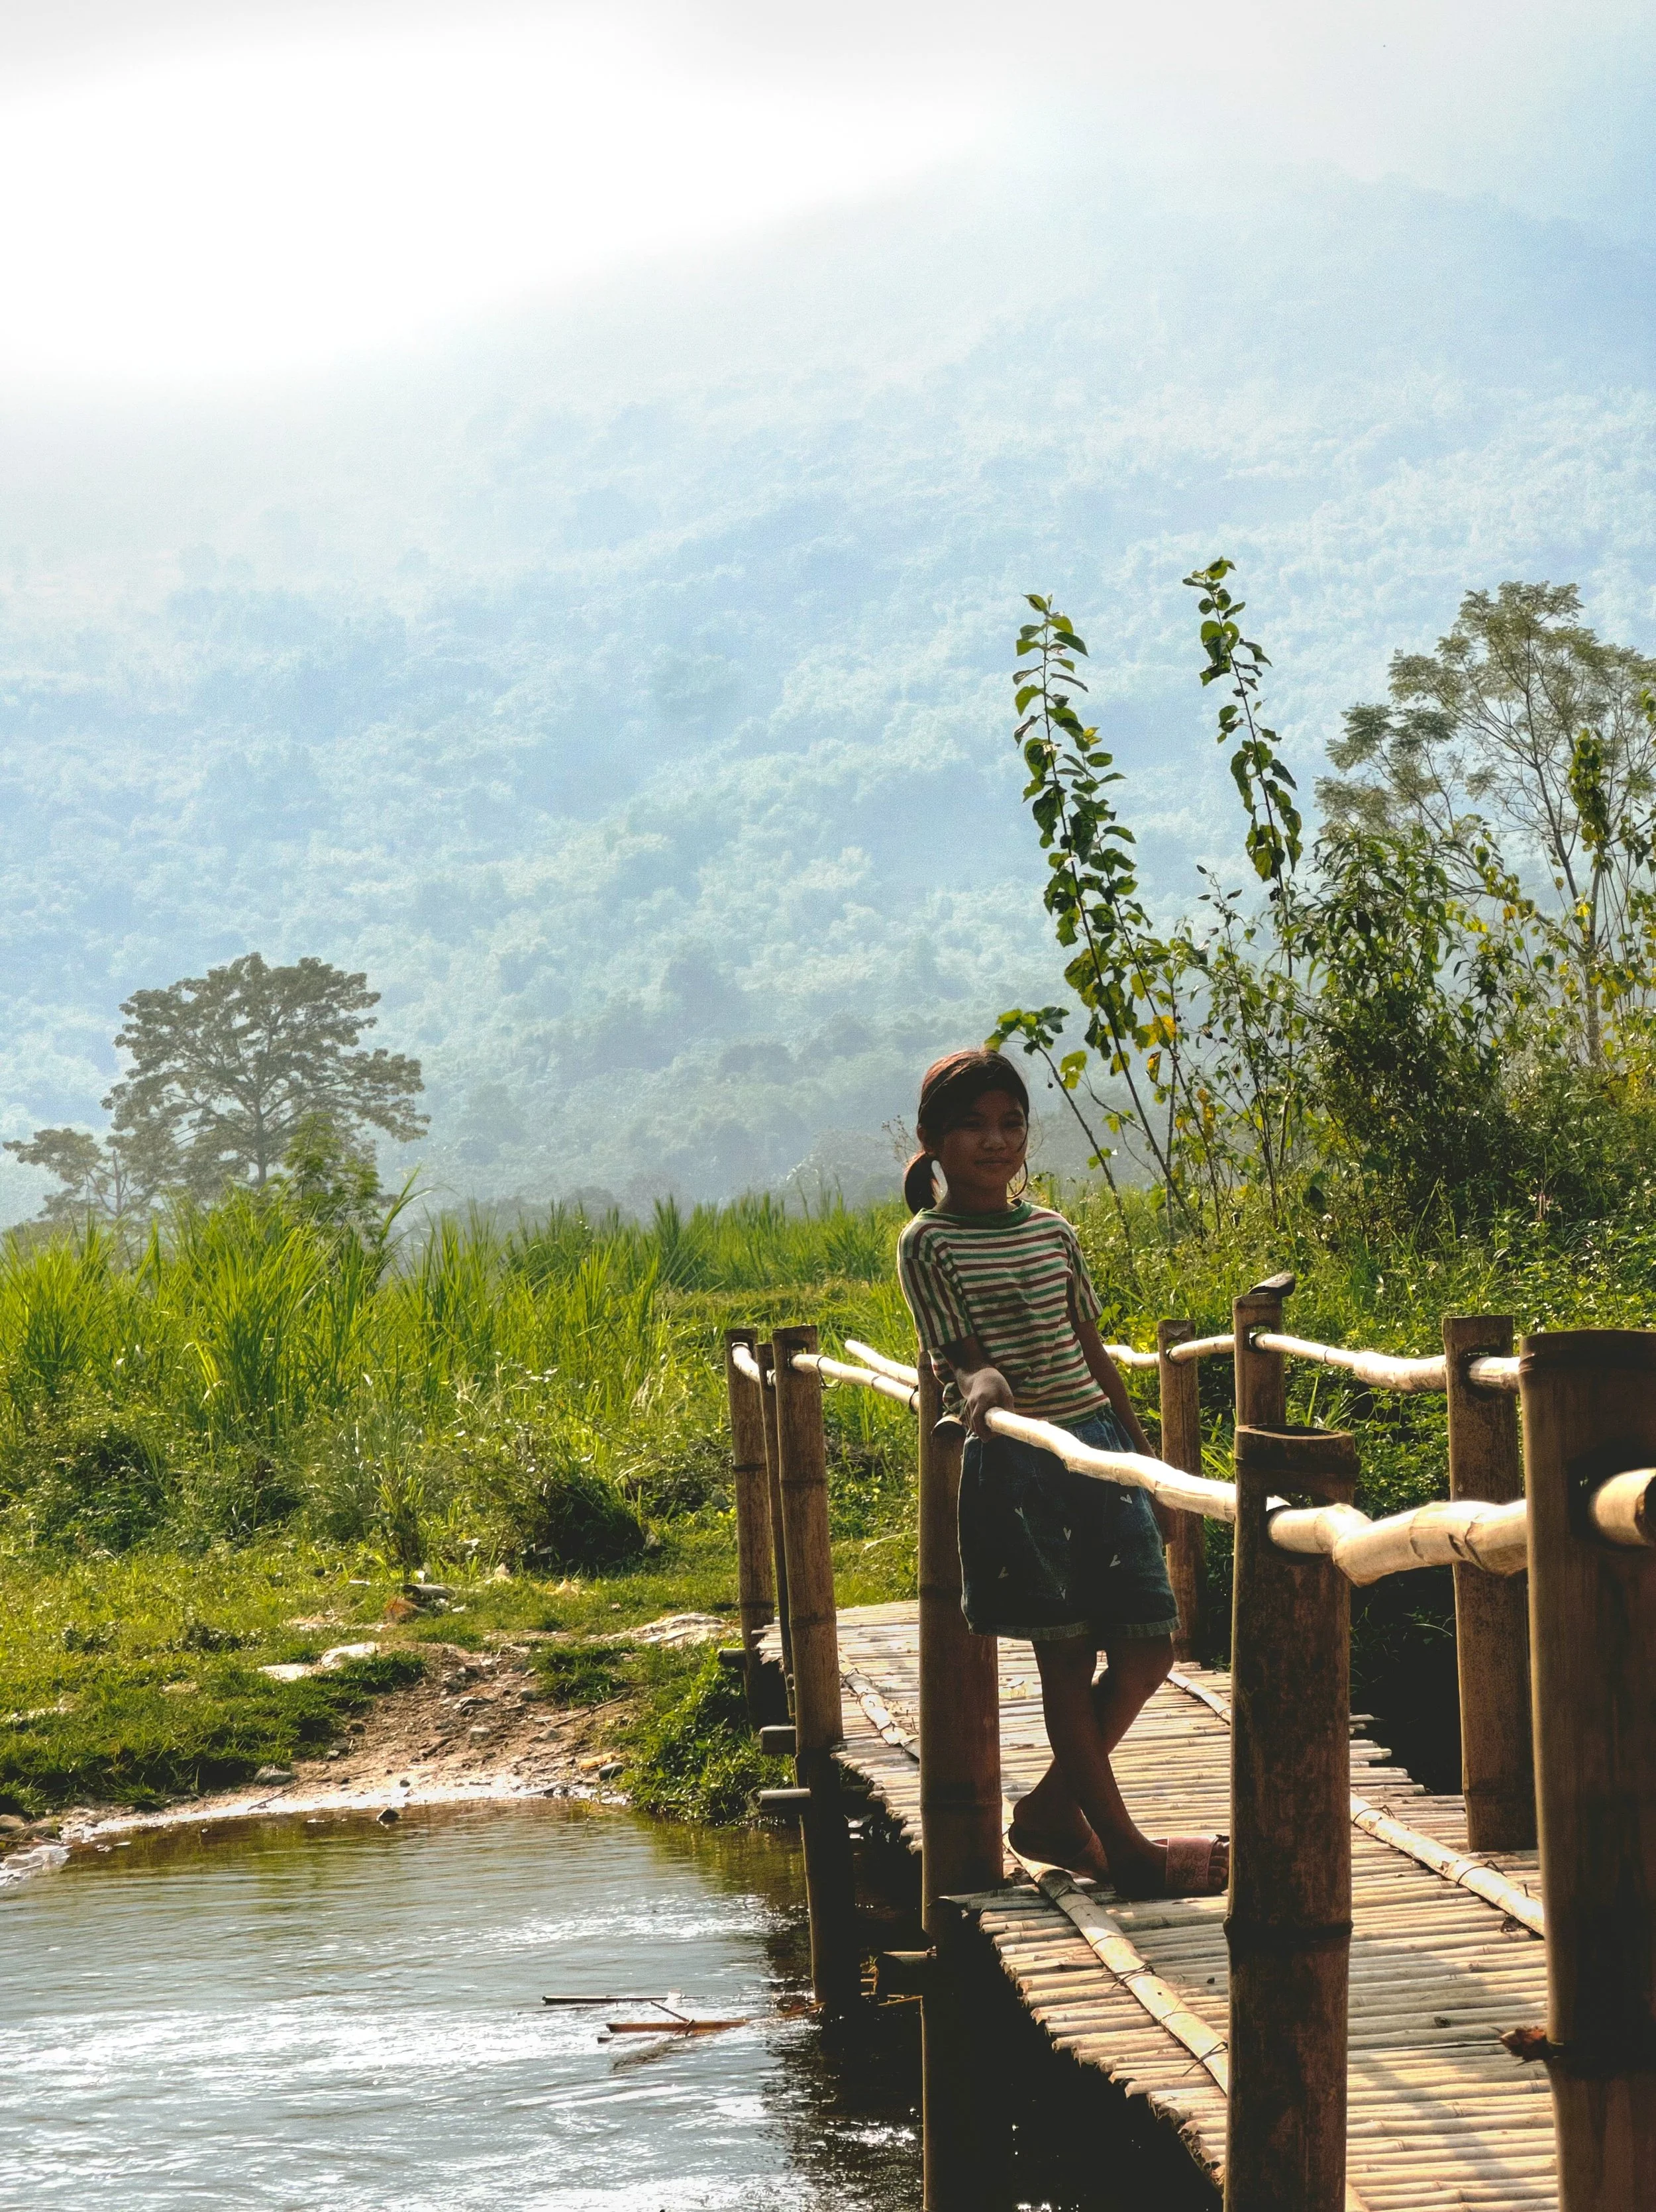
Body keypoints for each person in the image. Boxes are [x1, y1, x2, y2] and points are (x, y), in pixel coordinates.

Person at [896, 1048, 1226, 1897]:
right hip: (1021, 1464)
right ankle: (1129, 1851)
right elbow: (960, 1362)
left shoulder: (1052, 1231)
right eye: (971, 1125)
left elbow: (1090, 1353)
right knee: (1066, 1659)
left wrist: (1142, 1460)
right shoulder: (926, 1243)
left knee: (1150, 1646)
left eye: (1009, 1123)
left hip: (1095, 1449)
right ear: (931, 1141)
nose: (994, 1141)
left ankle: (1048, 1813)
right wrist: (983, 1382)